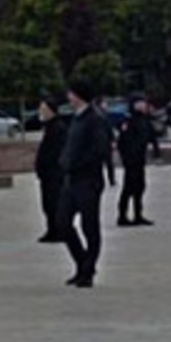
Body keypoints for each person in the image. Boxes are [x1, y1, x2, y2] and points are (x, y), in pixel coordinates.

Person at [57, 80, 110, 288]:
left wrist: (78, 164)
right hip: (71, 179)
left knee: (90, 227)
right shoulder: (76, 119)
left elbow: (100, 150)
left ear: (78, 95)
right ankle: (83, 263)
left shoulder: (94, 119)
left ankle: (87, 271)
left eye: (71, 93)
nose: (68, 97)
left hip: (88, 180)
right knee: (63, 222)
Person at [115, 95, 157, 227]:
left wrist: (156, 150)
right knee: (128, 188)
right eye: (140, 103)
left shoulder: (144, 120)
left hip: (140, 159)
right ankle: (122, 215)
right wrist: (127, 158)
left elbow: (151, 135)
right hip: (131, 160)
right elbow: (123, 142)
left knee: (140, 187)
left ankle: (138, 214)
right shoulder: (129, 121)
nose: (143, 105)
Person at [34, 95, 68, 243]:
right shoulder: (49, 127)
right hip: (47, 175)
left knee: (54, 203)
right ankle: (52, 230)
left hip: (54, 174)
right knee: (48, 204)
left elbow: (55, 152)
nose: (41, 112)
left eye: (44, 109)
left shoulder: (58, 127)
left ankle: (59, 230)